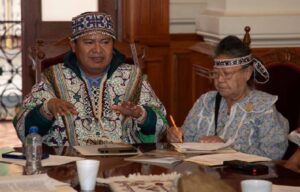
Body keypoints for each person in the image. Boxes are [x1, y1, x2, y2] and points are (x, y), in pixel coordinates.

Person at [14, 12, 168, 146]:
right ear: (73, 46)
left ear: (112, 46)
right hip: (67, 167)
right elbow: (24, 128)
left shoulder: (133, 78)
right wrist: (46, 109)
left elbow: (161, 128)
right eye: (88, 42)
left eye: (105, 42)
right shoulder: (52, 78)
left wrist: (141, 114)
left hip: (122, 165)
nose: (97, 50)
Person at [167, 35, 289, 160]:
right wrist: (176, 136)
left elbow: (274, 154)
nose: (220, 80)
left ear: (247, 73)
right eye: (216, 73)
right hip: (203, 174)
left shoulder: (263, 107)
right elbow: (185, 140)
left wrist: (228, 148)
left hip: (245, 177)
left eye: (227, 74)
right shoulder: (206, 102)